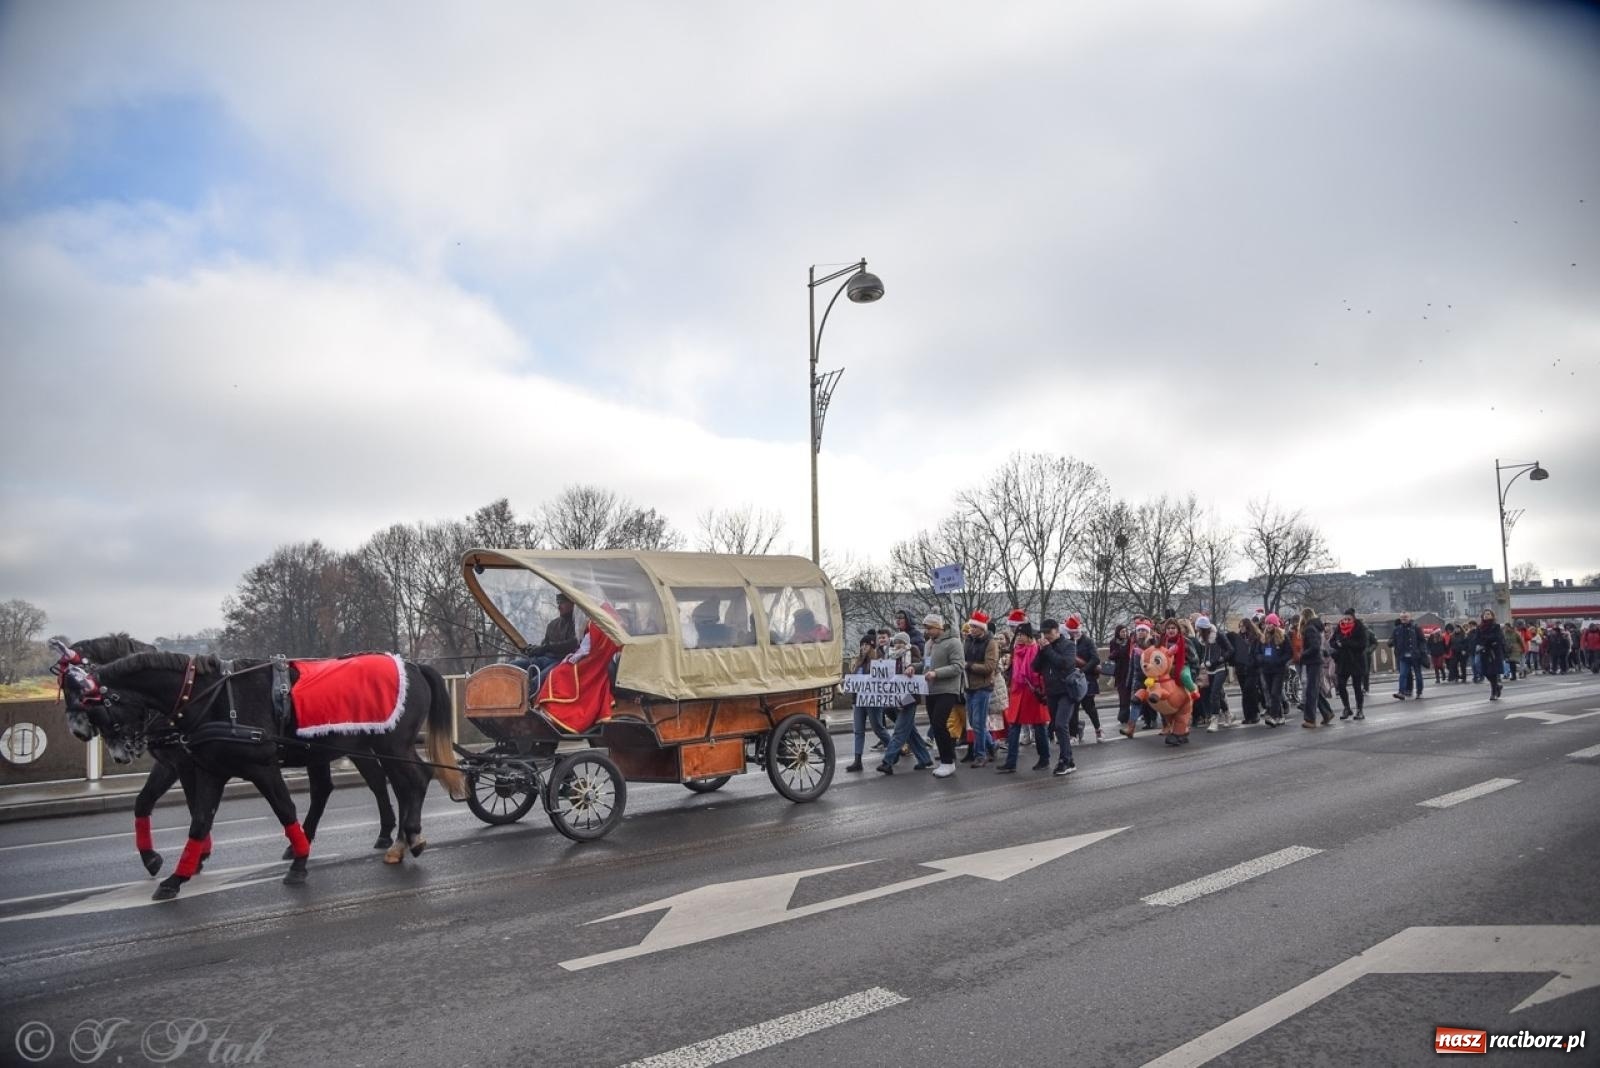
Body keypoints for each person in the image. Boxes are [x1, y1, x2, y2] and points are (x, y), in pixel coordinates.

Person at [875, 633, 933, 775]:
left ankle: (888, 761)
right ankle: (925, 759)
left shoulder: (912, 651)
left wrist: (912, 667)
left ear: (906, 643)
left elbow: (923, 664)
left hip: (909, 697)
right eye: (897, 642)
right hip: (894, 697)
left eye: (901, 642)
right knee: (910, 731)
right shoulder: (891, 656)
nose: (898, 645)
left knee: (900, 730)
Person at [997, 623, 1052, 772]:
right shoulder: (1017, 650)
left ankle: (1044, 758)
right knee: (1014, 726)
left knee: (1039, 727)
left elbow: (1038, 673)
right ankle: (1011, 762)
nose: (1018, 637)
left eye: (1021, 635)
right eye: (1018, 635)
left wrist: (1042, 691)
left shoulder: (1036, 650)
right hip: (1018, 691)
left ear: (1028, 636)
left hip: (1032, 692)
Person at [919, 614, 966, 778]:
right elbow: (926, 664)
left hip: (948, 689)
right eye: (926, 628)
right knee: (936, 724)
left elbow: (958, 666)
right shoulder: (928, 644)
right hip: (931, 690)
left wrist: (936, 673)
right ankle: (947, 758)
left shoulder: (953, 642)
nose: (927, 631)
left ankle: (948, 761)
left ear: (939, 627)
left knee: (939, 723)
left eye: (930, 628)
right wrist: (913, 667)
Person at [1034, 619, 1079, 776]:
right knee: (1057, 726)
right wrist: (1041, 651)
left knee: (1061, 724)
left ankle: (1066, 760)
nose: (1047, 636)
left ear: (1057, 631)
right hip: (1052, 692)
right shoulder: (1045, 648)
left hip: (1067, 690)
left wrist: (1048, 650)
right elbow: (1035, 667)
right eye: (1044, 633)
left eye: (1049, 632)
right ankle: (1068, 759)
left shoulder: (1068, 645)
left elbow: (1065, 664)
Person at [845, 632, 892, 772]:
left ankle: (894, 748)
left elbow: (884, 679)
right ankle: (857, 760)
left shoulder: (879, 660)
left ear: (872, 646)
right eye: (861, 645)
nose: (863, 648)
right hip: (859, 700)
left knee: (878, 728)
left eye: (866, 645)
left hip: (873, 700)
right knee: (858, 730)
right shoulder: (859, 661)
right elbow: (854, 680)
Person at [962, 612, 999, 767]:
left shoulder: (991, 643)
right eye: (971, 626)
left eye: (975, 626)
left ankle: (981, 755)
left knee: (978, 722)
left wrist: (969, 666)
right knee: (973, 721)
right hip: (969, 686)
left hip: (983, 687)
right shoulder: (968, 641)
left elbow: (989, 667)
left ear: (982, 628)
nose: (972, 629)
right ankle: (992, 744)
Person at [1065, 616, 1103, 741]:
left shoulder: (1088, 641)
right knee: (1073, 709)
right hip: (1073, 680)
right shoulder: (1067, 642)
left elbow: (1095, 659)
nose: (1074, 634)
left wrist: (1082, 670)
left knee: (1089, 707)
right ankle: (1073, 734)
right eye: (1071, 632)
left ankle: (1098, 729)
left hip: (1086, 677)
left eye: (1075, 632)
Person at [1330, 608, 1370, 721]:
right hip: (1342, 661)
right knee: (1341, 685)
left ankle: (1359, 710)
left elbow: (1362, 644)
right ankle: (1346, 707)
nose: (1346, 621)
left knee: (1357, 687)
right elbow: (1332, 641)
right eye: (1345, 619)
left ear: (1353, 618)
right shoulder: (1339, 627)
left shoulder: (1359, 628)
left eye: (1349, 619)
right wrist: (1337, 644)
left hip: (1356, 661)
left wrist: (1346, 643)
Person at [1194, 617, 1231, 732]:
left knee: (1214, 693)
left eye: (1199, 629)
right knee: (1218, 694)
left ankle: (1214, 719)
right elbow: (1203, 653)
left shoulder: (1218, 635)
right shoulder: (1201, 638)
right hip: (1209, 669)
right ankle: (1227, 714)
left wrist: (1220, 659)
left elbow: (1230, 649)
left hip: (1220, 668)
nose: (1198, 631)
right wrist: (1203, 662)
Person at [1296, 608, 1330, 728]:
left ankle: (1310, 719)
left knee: (1311, 691)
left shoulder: (1309, 628)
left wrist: (1303, 654)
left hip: (1313, 661)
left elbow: (1314, 646)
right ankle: (1327, 713)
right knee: (1314, 689)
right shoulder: (1315, 627)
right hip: (1315, 661)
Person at [1258, 613, 1292, 727]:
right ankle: (1280, 715)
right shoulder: (1263, 637)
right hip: (1266, 669)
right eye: (1267, 623)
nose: (1268, 626)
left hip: (1278, 669)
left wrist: (1280, 661)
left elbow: (1289, 653)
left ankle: (1273, 716)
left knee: (1275, 693)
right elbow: (1258, 651)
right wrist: (1261, 658)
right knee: (1272, 692)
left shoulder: (1283, 636)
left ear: (1275, 624)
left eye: (1270, 623)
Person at [1233, 618, 1264, 725]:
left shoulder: (1254, 637)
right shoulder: (1238, 638)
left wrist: (1255, 662)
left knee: (1249, 690)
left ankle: (1254, 714)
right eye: (1239, 626)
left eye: (1242, 626)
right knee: (1245, 693)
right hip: (1241, 668)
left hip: (1252, 668)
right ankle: (1248, 716)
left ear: (1247, 626)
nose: (1241, 628)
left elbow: (1257, 651)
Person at [1390, 611, 1426, 701]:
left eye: (1405, 617)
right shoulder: (1397, 629)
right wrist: (1391, 643)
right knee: (1402, 674)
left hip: (1415, 656)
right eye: (1402, 618)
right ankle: (1401, 692)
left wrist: (1420, 651)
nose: (1404, 619)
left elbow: (1422, 641)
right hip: (1403, 656)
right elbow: (1392, 640)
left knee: (1418, 675)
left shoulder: (1415, 628)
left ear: (1409, 618)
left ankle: (1419, 692)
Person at [1108, 624, 1135, 736]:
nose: (1124, 633)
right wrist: (1118, 650)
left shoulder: (1129, 641)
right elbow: (1112, 656)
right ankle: (1123, 716)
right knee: (1122, 694)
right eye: (1122, 631)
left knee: (1129, 694)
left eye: (1125, 631)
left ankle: (1126, 716)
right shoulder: (1114, 642)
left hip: (1129, 670)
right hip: (1119, 672)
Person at [1475, 608, 1508, 700]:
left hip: (1493, 652)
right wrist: (1484, 642)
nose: (1486, 615)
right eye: (1485, 614)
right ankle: (1497, 685)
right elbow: (1477, 639)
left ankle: (1493, 692)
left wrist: (1485, 640)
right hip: (1484, 651)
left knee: (1492, 672)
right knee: (1484, 672)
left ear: (1492, 615)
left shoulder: (1496, 626)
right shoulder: (1480, 627)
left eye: (1488, 614)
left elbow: (1496, 637)